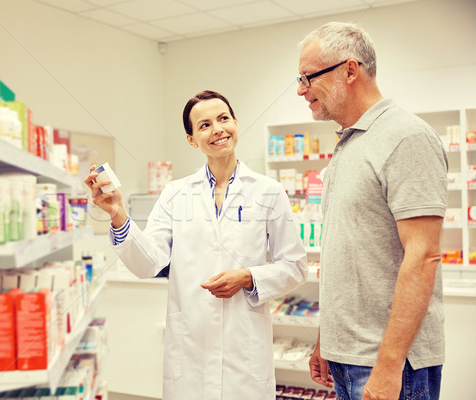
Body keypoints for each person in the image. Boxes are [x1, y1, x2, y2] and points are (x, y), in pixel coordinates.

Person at [85, 90, 308, 400]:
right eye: (204, 125)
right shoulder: (176, 193)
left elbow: (295, 266)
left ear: (235, 123)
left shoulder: (269, 191)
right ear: (192, 139)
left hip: (244, 353)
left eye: (223, 119)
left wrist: (248, 277)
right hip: (191, 351)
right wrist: (119, 215)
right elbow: (149, 262)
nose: (217, 129)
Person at [297, 22, 448, 400]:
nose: (301, 90)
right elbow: (345, 253)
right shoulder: (349, 145)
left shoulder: (405, 137)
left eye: (307, 78)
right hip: (348, 356)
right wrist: (326, 340)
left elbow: (423, 256)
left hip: (391, 364)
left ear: (350, 70)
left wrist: (388, 366)